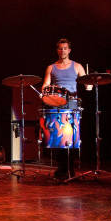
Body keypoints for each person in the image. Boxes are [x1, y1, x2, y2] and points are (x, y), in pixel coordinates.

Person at [41, 38, 87, 180]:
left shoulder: (77, 66)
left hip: (72, 104)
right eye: (60, 48)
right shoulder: (51, 67)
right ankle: (62, 167)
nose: (63, 51)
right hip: (56, 102)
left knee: (71, 136)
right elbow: (45, 85)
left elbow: (87, 82)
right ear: (57, 50)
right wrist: (45, 91)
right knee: (58, 136)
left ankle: (69, 167)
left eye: (65, 48)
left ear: (69, 50)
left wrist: (90, 85)